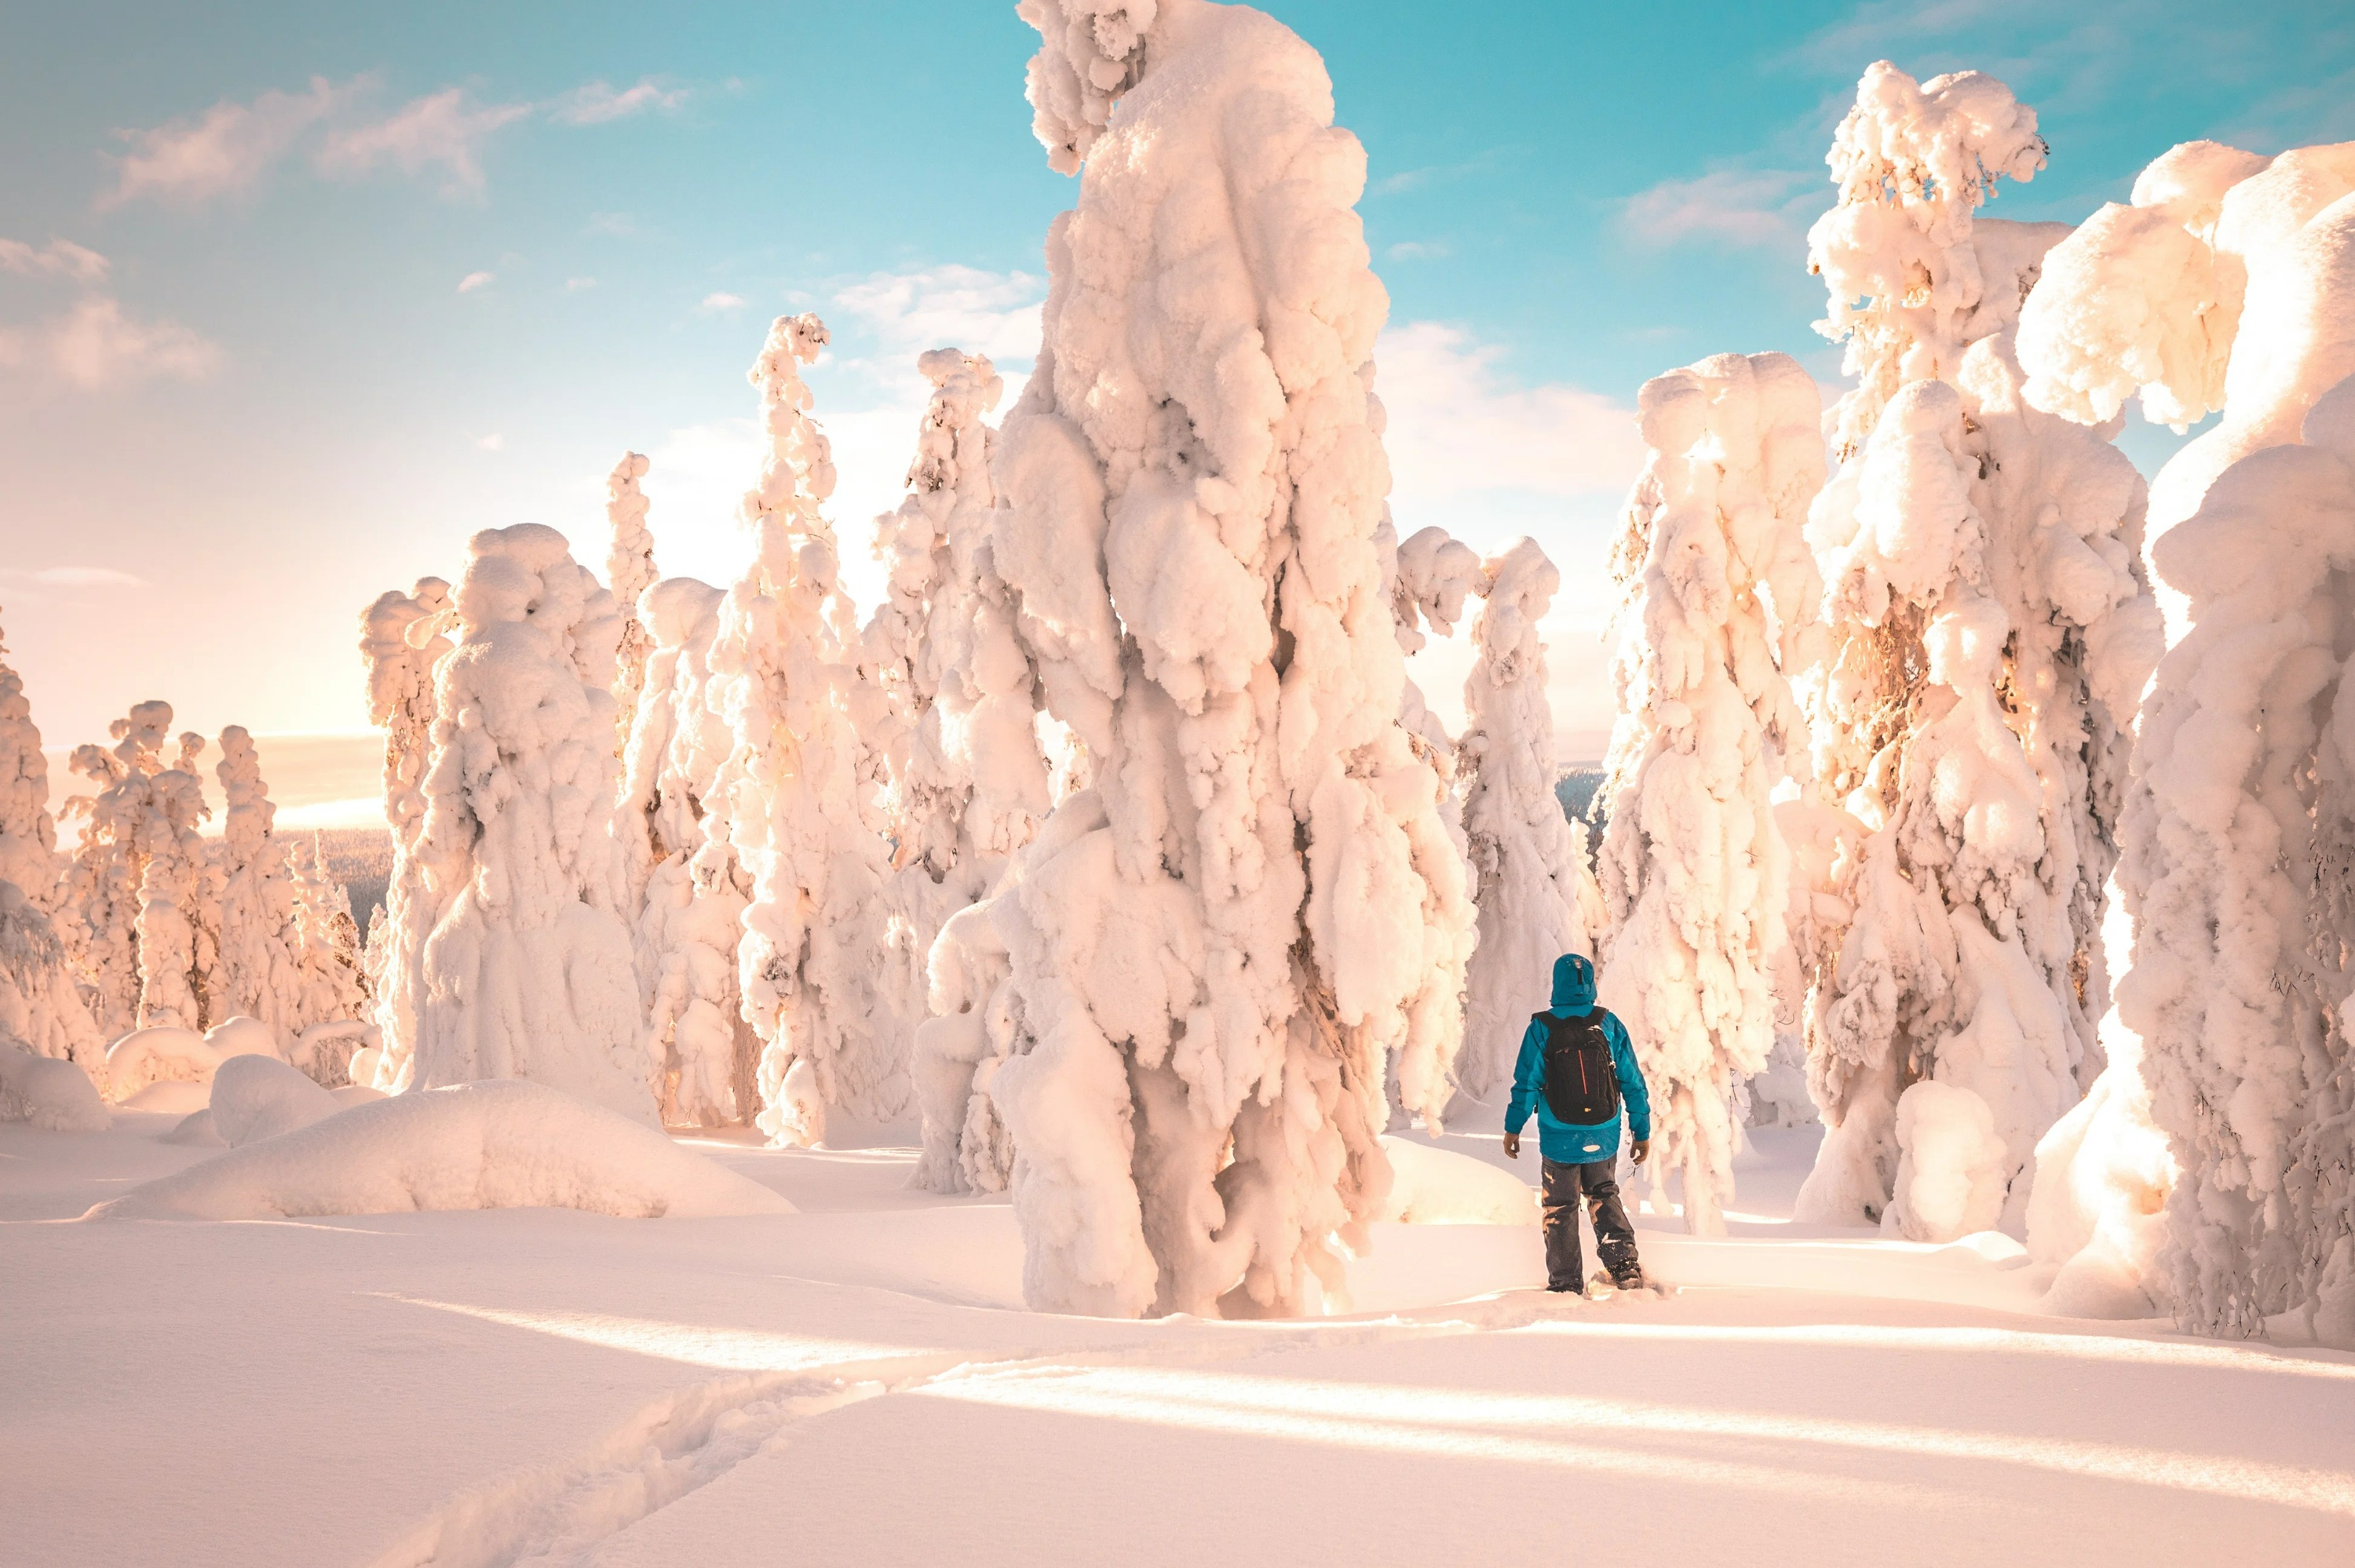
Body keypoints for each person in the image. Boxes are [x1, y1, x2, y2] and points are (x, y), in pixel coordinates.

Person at [1502, 952, 1652, 1294]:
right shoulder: (1608, 1023)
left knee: (1560, 1206)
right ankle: (1624, 1265)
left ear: (1557, 984)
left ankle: (1566, 1283)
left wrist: (1513, 1127)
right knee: (1603, 1192)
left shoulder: (1541, 1027)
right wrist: (1641, 1131)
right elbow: (1632, 1081)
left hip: (1558, 1135)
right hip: (1604, 1130)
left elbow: (1526, 1083)